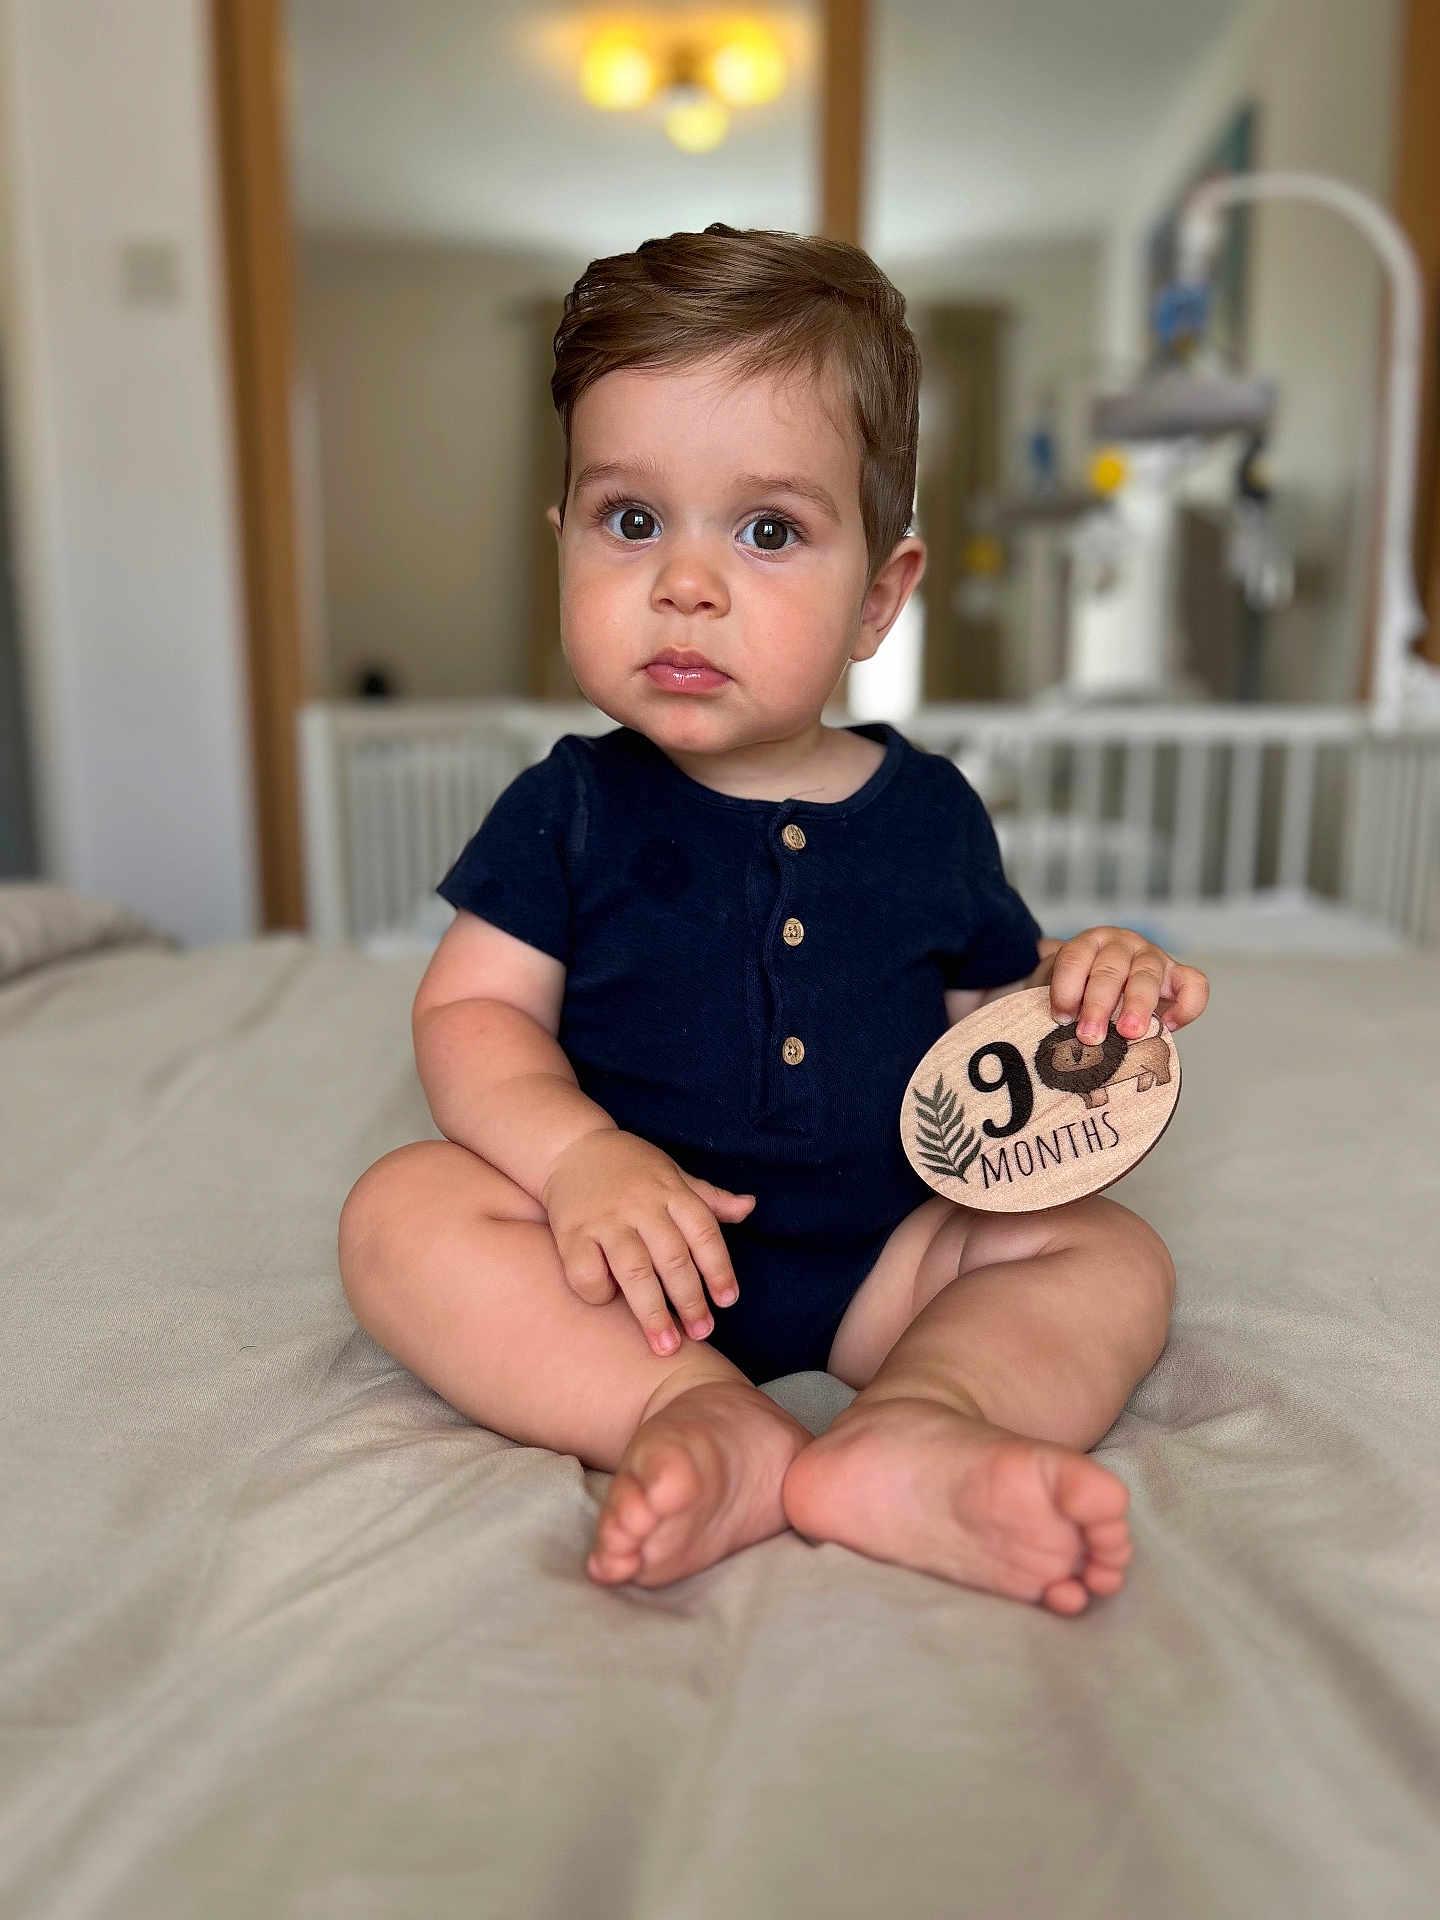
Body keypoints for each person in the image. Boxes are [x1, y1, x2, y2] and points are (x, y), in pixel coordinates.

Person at [338, 224, 1209, 1616]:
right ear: (563, 539)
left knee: (1109, 1256)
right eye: (632, 520)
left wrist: (1082, 990)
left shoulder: (930, 815)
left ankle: (922, 1421)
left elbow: (984, 1033)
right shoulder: (567, 807)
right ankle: (689, 1413)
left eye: (767, 530)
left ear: (877, 596)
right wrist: (579, 1164)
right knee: (401, 1215)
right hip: (623, 1272)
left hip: (890, 1260)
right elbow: (473, 1013)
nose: (688, 581)